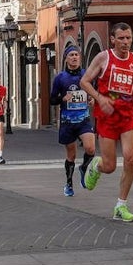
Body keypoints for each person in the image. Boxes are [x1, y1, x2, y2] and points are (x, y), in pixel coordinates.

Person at [80, 23, 133, 222]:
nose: (125, 42)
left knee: (131, 159)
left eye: (128, 38)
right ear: (112, 39)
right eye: (121, 38)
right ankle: (97, 166)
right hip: (107, 117)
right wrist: (100, 98)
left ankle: (121, 205)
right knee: (110, 166)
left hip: (128, 116)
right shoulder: (104, 58)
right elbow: (84, 81)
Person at [48, 44, 96, 196]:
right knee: (71, 156)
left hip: (83, 120)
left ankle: (83, 168)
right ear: (66, 58)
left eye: (76, 55)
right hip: (68, 121)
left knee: (91, 148)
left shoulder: (86, 75)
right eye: (71, 55)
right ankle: (69, 183)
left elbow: (92, 93)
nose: (74, 57)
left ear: (80, 58)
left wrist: (91, 99)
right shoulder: (60, 78)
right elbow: (52, 100)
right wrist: (63, 98)